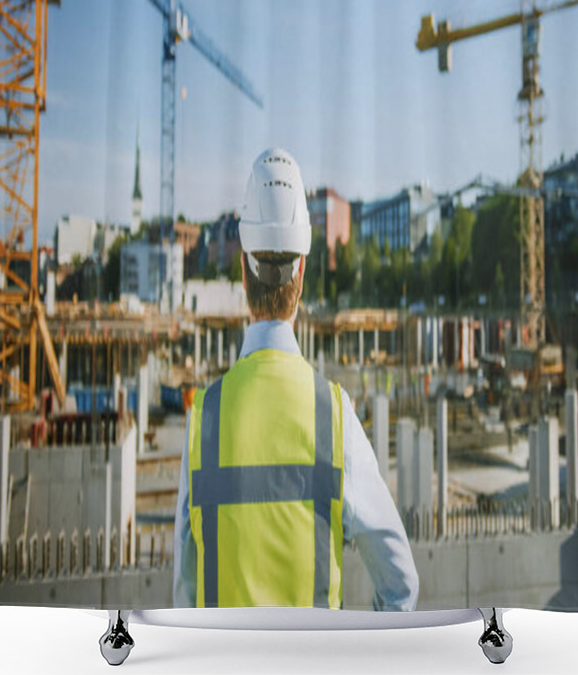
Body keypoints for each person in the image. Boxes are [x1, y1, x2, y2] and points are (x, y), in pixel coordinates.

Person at [173, 148, 418, 611]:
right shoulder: (333, 415)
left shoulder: (203, 420)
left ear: (243, 272)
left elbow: (184, 597)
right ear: (301, 273)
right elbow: (401, 583)